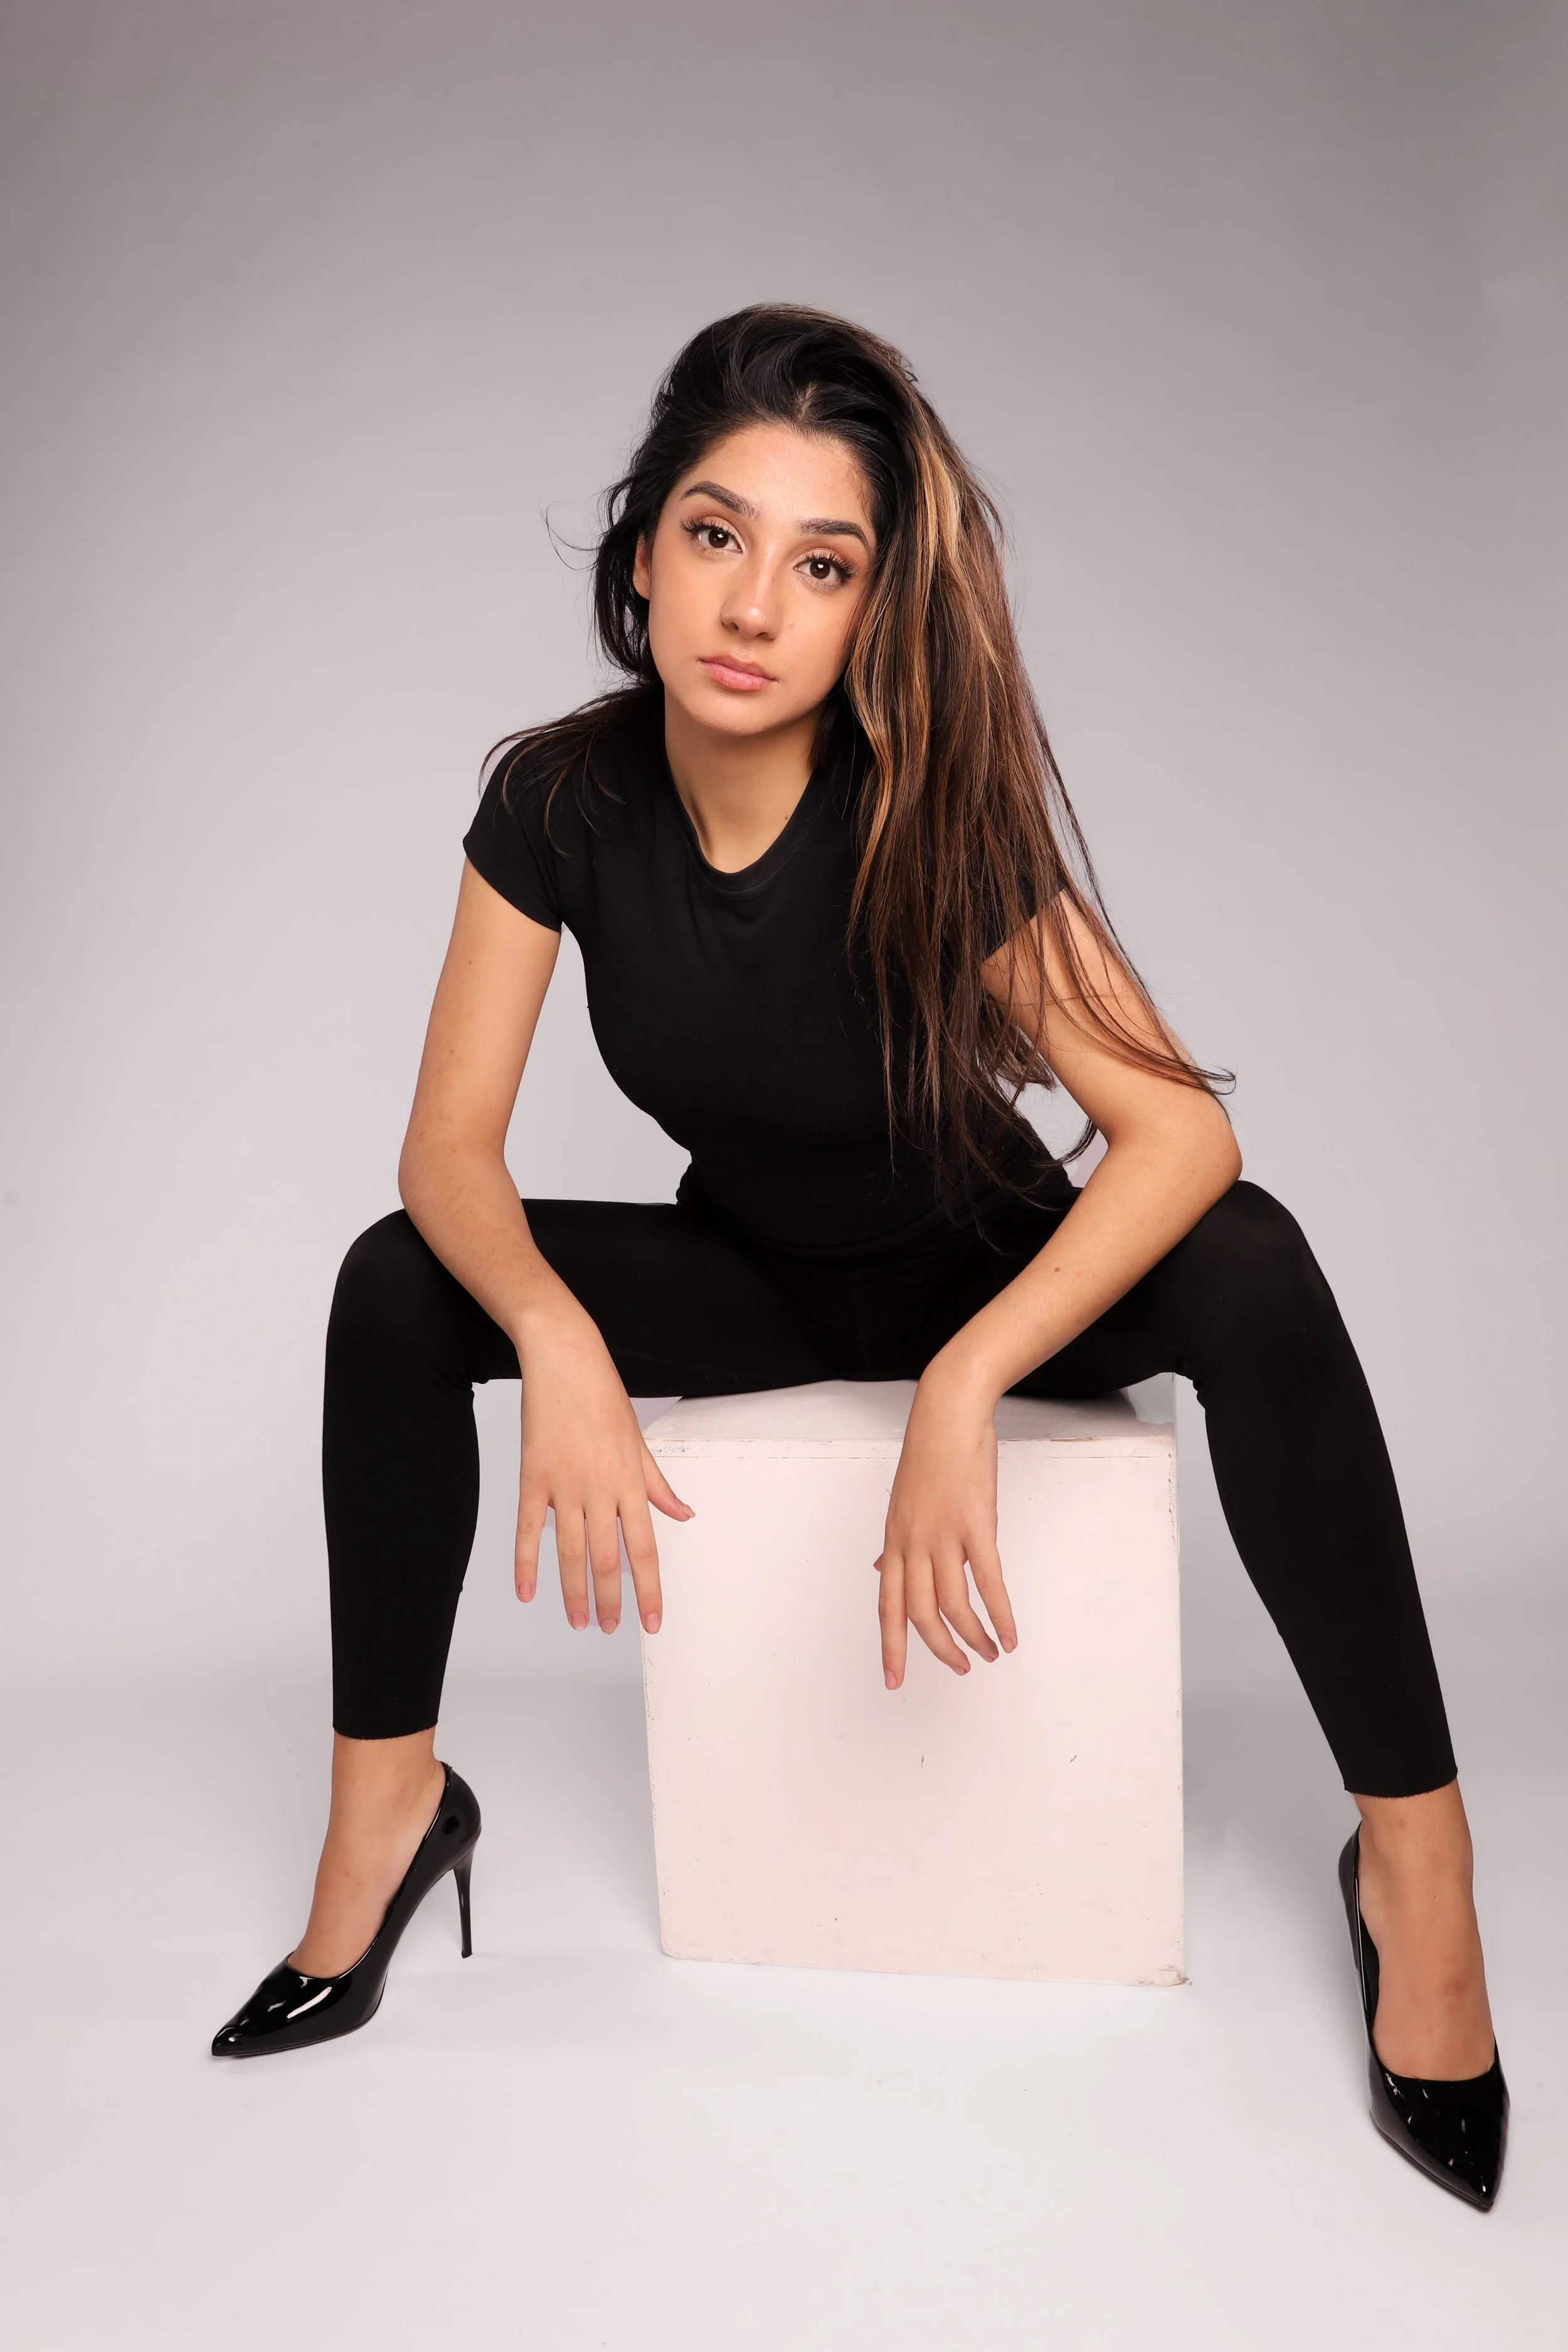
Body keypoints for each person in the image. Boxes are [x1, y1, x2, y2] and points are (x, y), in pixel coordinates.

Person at [211, 305, 1505, 2208]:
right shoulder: (559, 801)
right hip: (750, 1282)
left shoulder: (921, 820)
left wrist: (970, 1377)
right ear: (639, 544)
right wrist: (562, 1341)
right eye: (716, 535)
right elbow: (448, 1155)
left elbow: (1178, 1133)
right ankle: (387, 1813)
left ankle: (1417, 1867)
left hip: (979, 1271)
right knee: (393, 1282)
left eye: (822, 566)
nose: (752, 605)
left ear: (869, 614)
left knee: (1252, 1254)